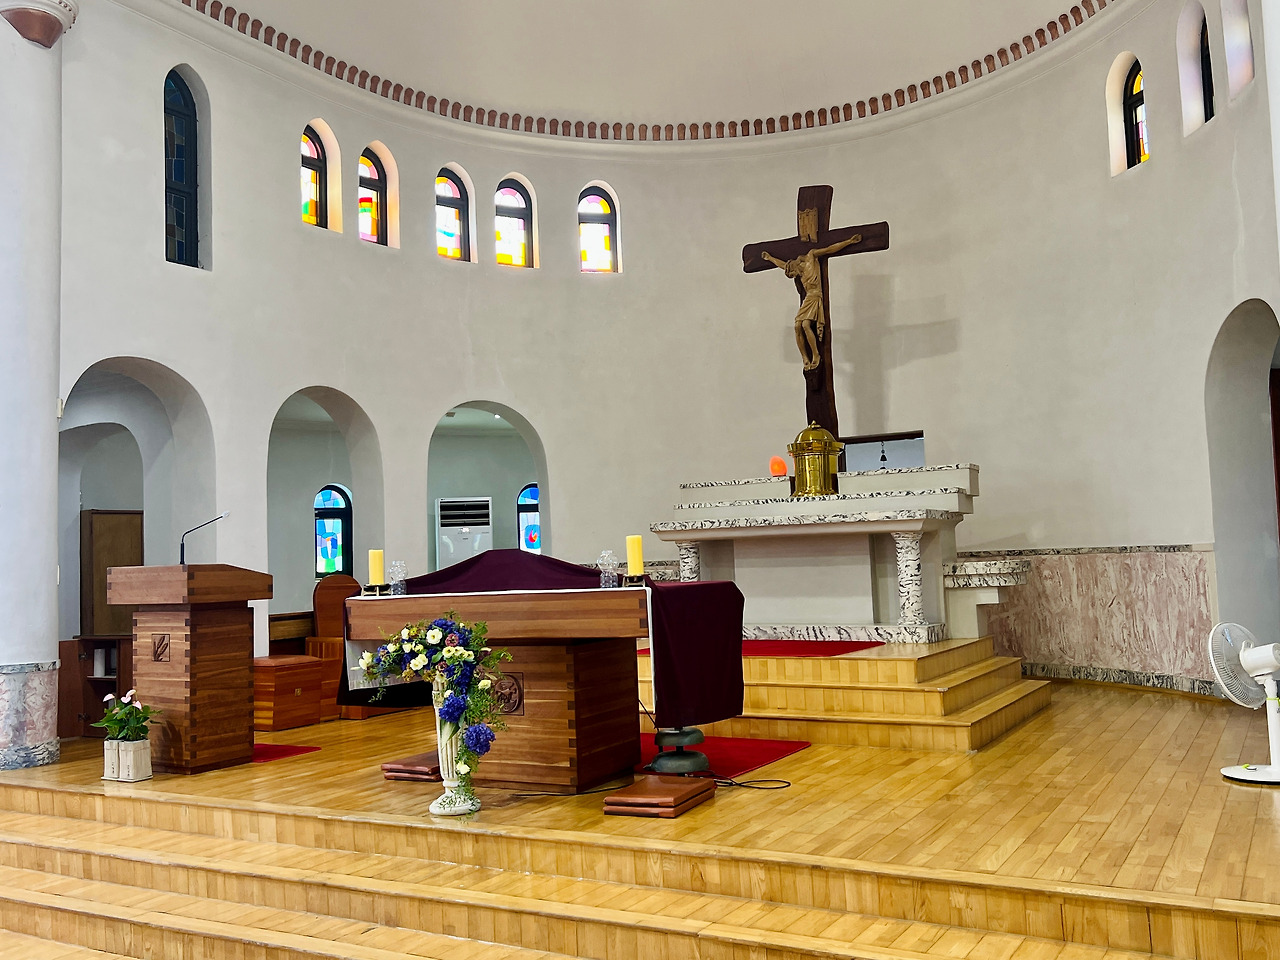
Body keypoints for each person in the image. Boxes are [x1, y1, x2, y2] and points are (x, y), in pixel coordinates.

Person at [761, 234, 862, 370]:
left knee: (805, 324)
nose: (796, 275)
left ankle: (816, 355)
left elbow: (829, 249)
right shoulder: (797, 269)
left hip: (815, 296)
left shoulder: (811, 256)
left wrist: (849, 241)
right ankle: (805, 357)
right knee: (797, 326)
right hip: (808, 297)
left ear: (795, 266)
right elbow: (782, 265)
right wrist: (770, 258)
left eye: (794, 273)